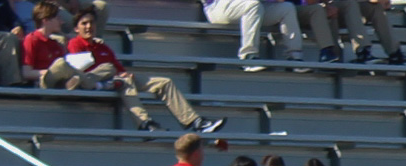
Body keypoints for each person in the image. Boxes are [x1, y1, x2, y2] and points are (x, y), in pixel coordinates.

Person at [66, 8, 224, 133]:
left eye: (91, 23)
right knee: (116, 73)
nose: (89, 27)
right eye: (84, 23)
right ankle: (144, 123)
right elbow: (80, 69)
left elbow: (119, 68)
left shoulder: (103, 47)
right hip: (94, 82)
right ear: (76, 28)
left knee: (164, 82)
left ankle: (194, 121)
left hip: (115, 80)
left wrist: (124, 73)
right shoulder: (75, 43)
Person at [199, 0, 304, 71]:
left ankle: (294, 58)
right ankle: (248, 57)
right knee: (253, 5)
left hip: (254, 6)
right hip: (217, 6)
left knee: (286, 8)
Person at [22, 0, 95, 88]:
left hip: (61, 80)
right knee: (61, 64)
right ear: (46, 20)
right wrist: (53, 71)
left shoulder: (55, 43)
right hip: (43, 82)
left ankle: (77, 82)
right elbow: (26, 73)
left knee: (107, 68)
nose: (61, 22)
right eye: (58, 18)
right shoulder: (32, 39)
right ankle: (93, 84)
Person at [332, 0, 406, 64]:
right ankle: (362, 51)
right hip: (329, 8)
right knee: (350, 3)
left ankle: (394, 52)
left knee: (376, 7)